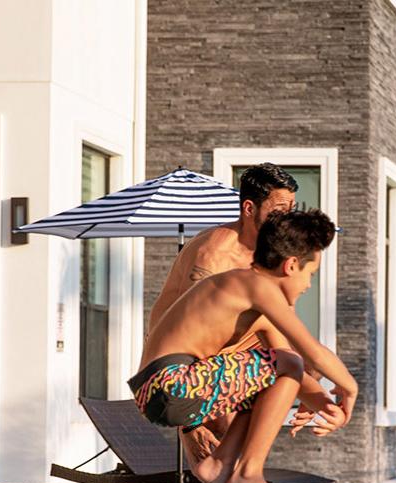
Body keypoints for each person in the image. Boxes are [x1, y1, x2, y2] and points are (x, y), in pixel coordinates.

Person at [130, 209, 357, 483]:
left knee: (271, 375)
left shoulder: (242, 290)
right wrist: (350, 389)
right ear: (291, 265)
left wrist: (323, 405)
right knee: (288, 361)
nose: (307, 285)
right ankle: (248, 473)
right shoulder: (255, 285)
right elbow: (311, 354)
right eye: (311, 274)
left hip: (156, 390)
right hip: (171, 383)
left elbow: (286, 373)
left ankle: (218, 467)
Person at [148, 163, 346, 466]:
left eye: (290, 209)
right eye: (278, 211)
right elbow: (187, 336)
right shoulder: (215, 256)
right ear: (249, 208)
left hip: (239, 350)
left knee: (308, 362)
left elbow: (285, 329)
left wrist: (312, 387)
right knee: (227, 446)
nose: (285, 219)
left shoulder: (271, 253)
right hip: (191, 366)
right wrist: (190, 424)